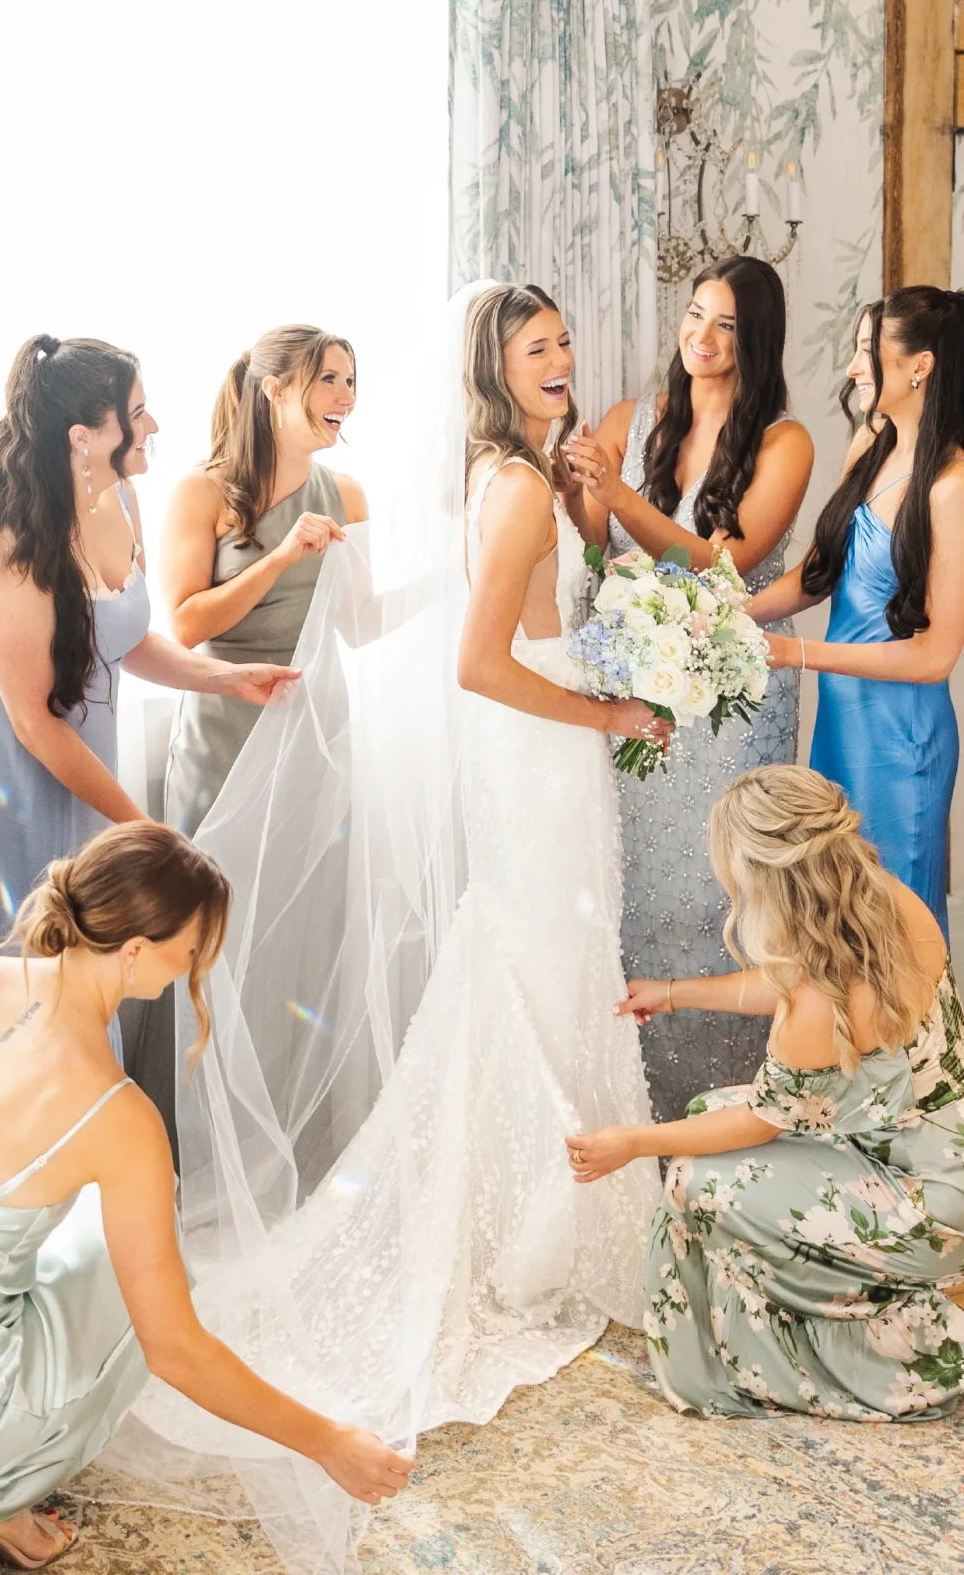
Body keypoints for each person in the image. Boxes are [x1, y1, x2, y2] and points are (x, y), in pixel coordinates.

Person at [110, 282, 663, 1562]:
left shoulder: (475, 485)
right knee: (488, 956)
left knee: (525, 957)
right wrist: (604, 708)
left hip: (398, 731)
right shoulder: (230, 492)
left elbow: (406, 627)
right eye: (540, 348)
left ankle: (541, 1197)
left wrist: (464, 577)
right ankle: (481, 1204)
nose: (566, 362)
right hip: (251, 731)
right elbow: (183, 627)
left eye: (568, 344)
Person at [0, 822, 411, 1575]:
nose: (188, 972)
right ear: (135, 950)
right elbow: (176, 1350)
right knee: (139, 1276)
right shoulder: (119, 1115)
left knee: (59, 1247)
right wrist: (327, 1440)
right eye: (189, 953)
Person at [0, 334, 298, 1009]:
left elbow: (119, 635)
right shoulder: (13, 540)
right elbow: (31, 719)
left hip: (72, 741)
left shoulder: (123, 499)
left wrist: (224, 678)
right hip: (8, 757)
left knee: (81, 951)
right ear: (83, 436)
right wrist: (138, 826)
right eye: (137, 413)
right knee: (18, 961)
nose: (154, 426)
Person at [564, 764, 964, 1422]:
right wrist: (673, 993)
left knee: (694, 1179)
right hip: (936, 1154)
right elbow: (792, 982)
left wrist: (632, 1143)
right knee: (704, 1115)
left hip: (926, 1207)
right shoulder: (887, 901)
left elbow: (759, 1120)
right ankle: (758, 1327)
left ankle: (816, 1360)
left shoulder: (817, 1007)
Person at [567, 256, 814, 1122]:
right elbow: (598, 550)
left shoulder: (785, 443)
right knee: (631, 881)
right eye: (695, 316)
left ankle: (727, 1107)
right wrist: (575, 491)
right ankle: (632, 1106)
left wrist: (619, 501)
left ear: (757, 342)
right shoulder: (636, 419)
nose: (701, 339)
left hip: (734, 697)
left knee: (722, 886)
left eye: (726, 327)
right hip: (639, 683)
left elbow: (724, 570)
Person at [123, 326, 367, 1129]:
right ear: (274, 391)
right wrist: (278, 558)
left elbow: (359, 627)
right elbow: (184, 626)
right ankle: (194, 1134)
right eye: (326, 380)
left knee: (300, 939)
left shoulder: (350, 498)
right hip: (225, 729)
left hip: (314, 736)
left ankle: (289, 1142)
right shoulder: (203, 492)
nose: (343, 397)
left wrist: (455, 582)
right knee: (206, 934)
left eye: (349, 382)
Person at [750, 286, 964, 938]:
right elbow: (819, 575)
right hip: (842, 724)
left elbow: (934, 658)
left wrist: (798, 653)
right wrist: (719, 616)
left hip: (902, 740)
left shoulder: (952, 488)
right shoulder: (871, 442)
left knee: (893, 933)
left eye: (866, 351)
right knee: (835, 925)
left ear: (918, 366)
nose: (851, 367)